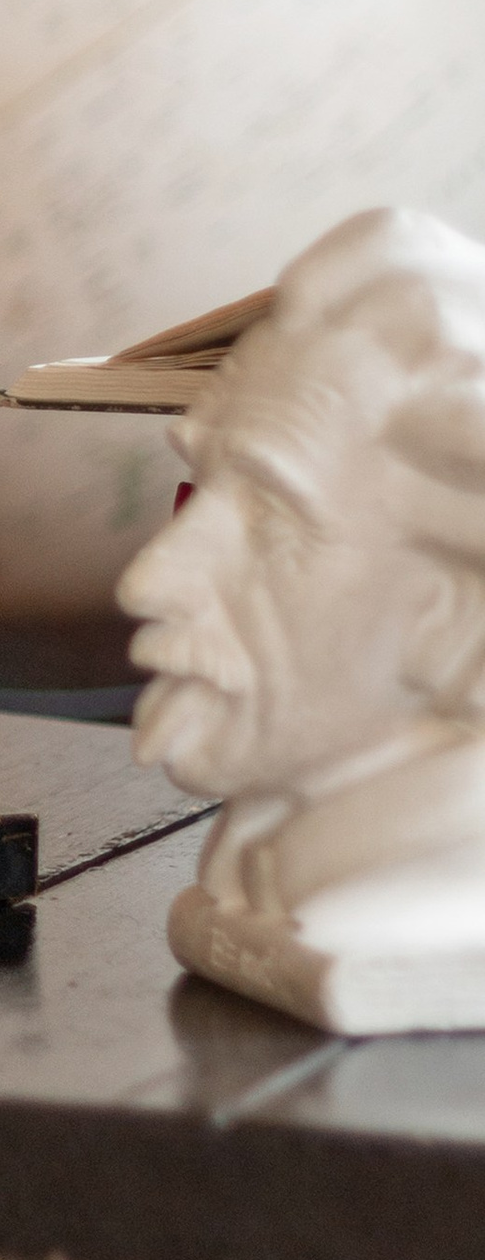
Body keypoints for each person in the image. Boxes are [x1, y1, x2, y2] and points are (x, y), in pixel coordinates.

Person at [126, 205, 485, 1033]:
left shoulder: (361, 894)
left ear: (445, 615)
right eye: (206, 488)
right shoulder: (261, 853)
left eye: (274, 521)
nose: (150, 580)